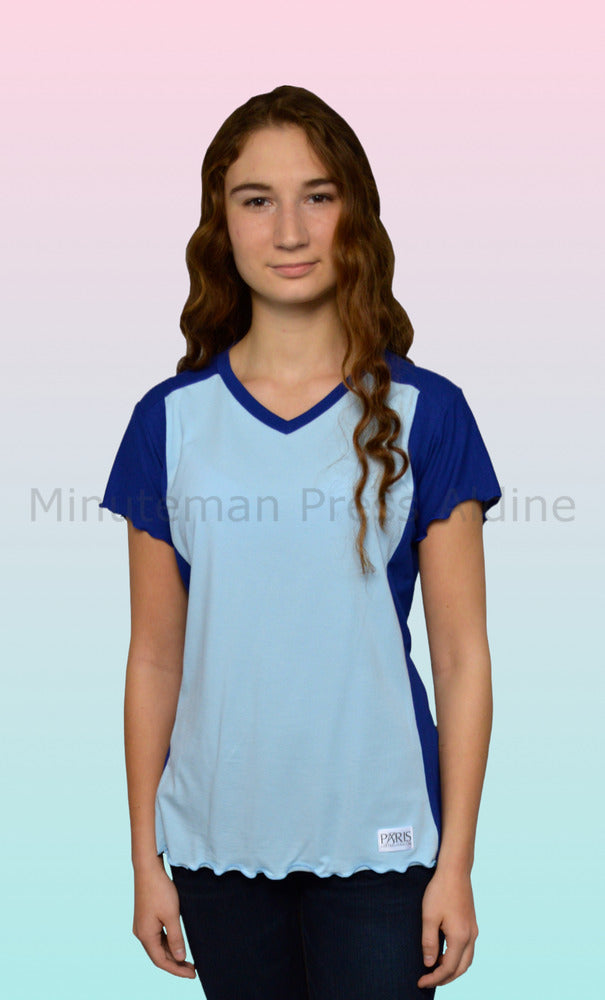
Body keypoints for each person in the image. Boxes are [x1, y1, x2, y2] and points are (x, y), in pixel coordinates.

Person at [99, 84, 502, 999]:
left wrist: (456, 864)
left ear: (354, 213)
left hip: (386, 848)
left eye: (317, 196)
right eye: (257, 200)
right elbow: (154, 657)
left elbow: (460, 657)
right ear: (221, 223)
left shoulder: (428, 413)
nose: (288, 230)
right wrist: (144, 859)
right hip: (213, 848)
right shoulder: (167, 422)